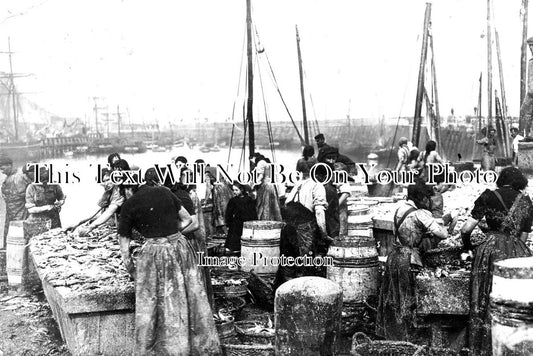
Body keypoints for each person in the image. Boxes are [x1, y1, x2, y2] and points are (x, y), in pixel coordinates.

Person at [117, 182, 220, 355]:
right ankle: (197, 348)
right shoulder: (165, 192)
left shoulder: (130, 203)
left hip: (155, 253)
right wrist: (172, 231)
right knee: (190, 295)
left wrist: (132, 270)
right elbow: (188, 219)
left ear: (128, 189)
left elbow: (124, 247)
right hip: (181, 247)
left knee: (155, 303)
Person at [460, 167, 533, 356]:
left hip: (489, 250)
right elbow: (524, 236)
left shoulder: (487, 195)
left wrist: (467, 247)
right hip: (516, 250)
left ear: (501, 179)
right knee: (510, 301)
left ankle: (480, 346)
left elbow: (466, 229)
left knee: (483, 296)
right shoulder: (525, 200)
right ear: (520, 182)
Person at [376, 178, 448, 341]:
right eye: (427, 198)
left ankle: (393, 335)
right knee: (408, 297)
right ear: (421, 197)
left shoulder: (400, 209)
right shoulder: (421, 214)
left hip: (394, 257)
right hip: (409, 259)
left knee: (394, 297)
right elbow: (443, 234)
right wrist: (443, 220)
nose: (428, 201)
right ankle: (408, 338)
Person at [274, 164, 333, 289]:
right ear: (319, 176)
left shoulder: (299, 183)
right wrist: (324, 234)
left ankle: (283, 292)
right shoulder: (318, 186)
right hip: (303, 227)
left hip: (288, 226)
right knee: (305, 262)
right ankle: (303, 292)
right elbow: (319, 211)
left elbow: (286, 203)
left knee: (287, 261)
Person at [75, 160, 131, 236]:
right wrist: (77, 223)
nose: (106, 184)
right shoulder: (108, 193)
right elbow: (94, 212)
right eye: (103, 182)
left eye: (108, 180)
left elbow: (109, 212)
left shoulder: (119, 190)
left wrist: (91, 227)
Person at [1, 158, 32, 240]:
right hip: (10, 213)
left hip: (21, 213)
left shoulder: (20, 177)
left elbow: (30, 193)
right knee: (9, 236)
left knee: (19, 235)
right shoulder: (7, 178)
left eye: (3, 169)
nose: (2, 172)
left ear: (9, 165)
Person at [224, 181, 257, 254]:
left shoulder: (249, 200)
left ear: (242, 190)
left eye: (236, 190)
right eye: (233, 190)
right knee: (234, 243)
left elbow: (253, 212)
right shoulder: (233, 200)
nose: (234, 192)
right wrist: (228, 224)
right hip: (236, 224)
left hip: (247, 223)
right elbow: (228, 213)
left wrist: (254, 223)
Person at [251, 152, 282, 221]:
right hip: (271, 186)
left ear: (254, 157)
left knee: (264, 205)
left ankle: (265, 220)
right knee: (272, 205)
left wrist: (254, 184)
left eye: (252, 160)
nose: (252, 162)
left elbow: (261, 175)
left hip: (265, 186)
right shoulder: (266, 162)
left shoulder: (260, 163)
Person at [519, 36, 533, 136]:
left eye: (532, 46)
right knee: (524, 110)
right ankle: (528, 134)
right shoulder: (530, 62)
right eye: (530, 47)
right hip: (530, 92)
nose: (531, 49)